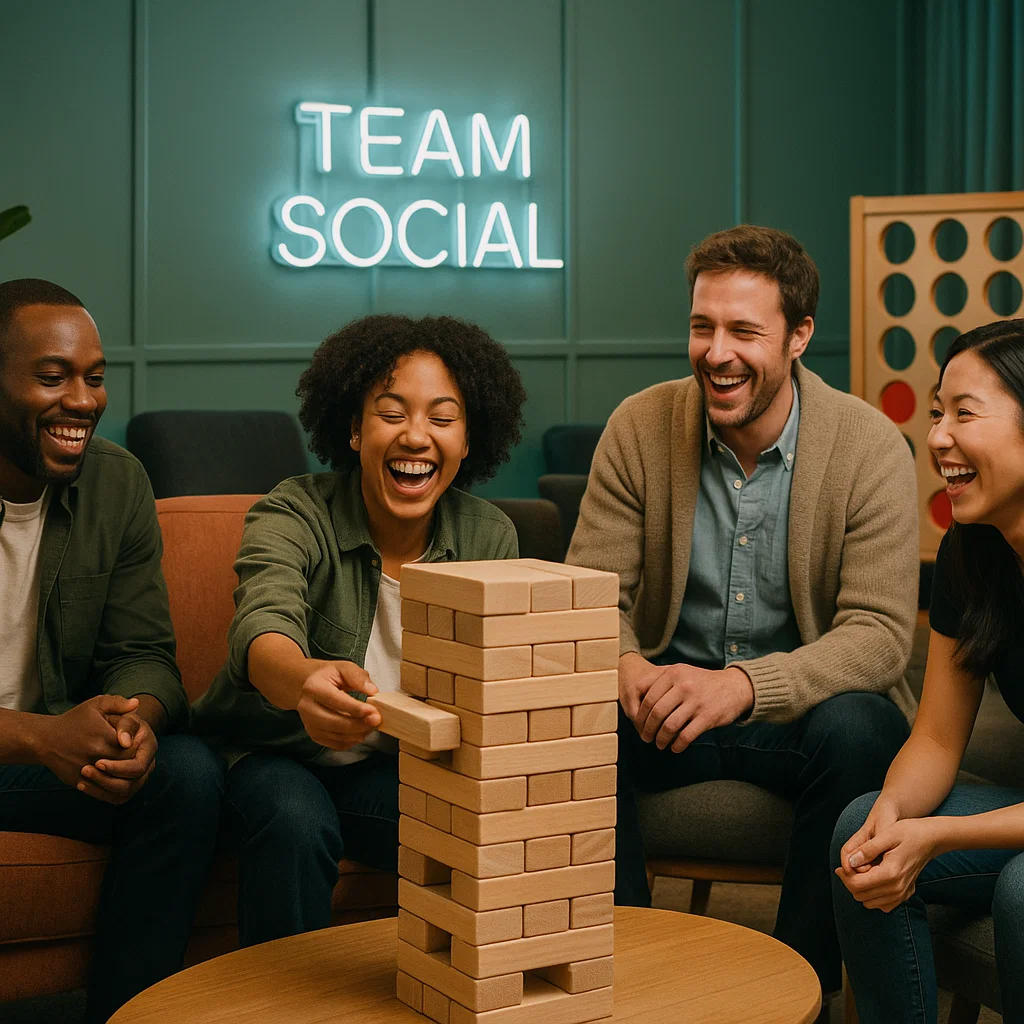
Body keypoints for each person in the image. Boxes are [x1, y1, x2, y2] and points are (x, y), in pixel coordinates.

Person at [566, 225, 918, 1003]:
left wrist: (742, 687)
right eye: (702, 326)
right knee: (574, 710)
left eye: (743, 331)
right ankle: (615, 977)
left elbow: (880, 639)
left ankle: (797, 994)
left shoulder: (870, 447)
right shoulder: (639, 426)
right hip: (661, 712)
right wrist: (625, 666)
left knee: (864, 726)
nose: (716, 353)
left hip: (802, 722)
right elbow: (590, 596)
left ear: (799, 336)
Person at [192, 313, 527, 946]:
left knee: (471, 826)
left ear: (467, 439)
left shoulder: (489, 536)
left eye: (442, 418)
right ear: (353, 429)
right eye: (392, 413)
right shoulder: (295, 509)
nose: (416, 437)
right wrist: (304, 681)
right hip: (270, 753)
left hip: (388, 769)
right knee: (295, 820)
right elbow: (263, 625)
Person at [0, 278, 223, 1023]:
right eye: (52, 376)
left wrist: (134, 723)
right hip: (27, 747)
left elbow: (148, 654)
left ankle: (130, 1016)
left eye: (94, 378)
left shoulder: (115, 482)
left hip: (51, 759)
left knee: (186, 773)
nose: (84, 401)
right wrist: (41, 737)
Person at [833, 318, 1024, 1024]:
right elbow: (939, 739)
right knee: (859, 830)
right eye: (937, 412)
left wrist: (940, 835)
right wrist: (893, 813)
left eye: (963, 413)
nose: (938, 435)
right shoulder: (969, 553)